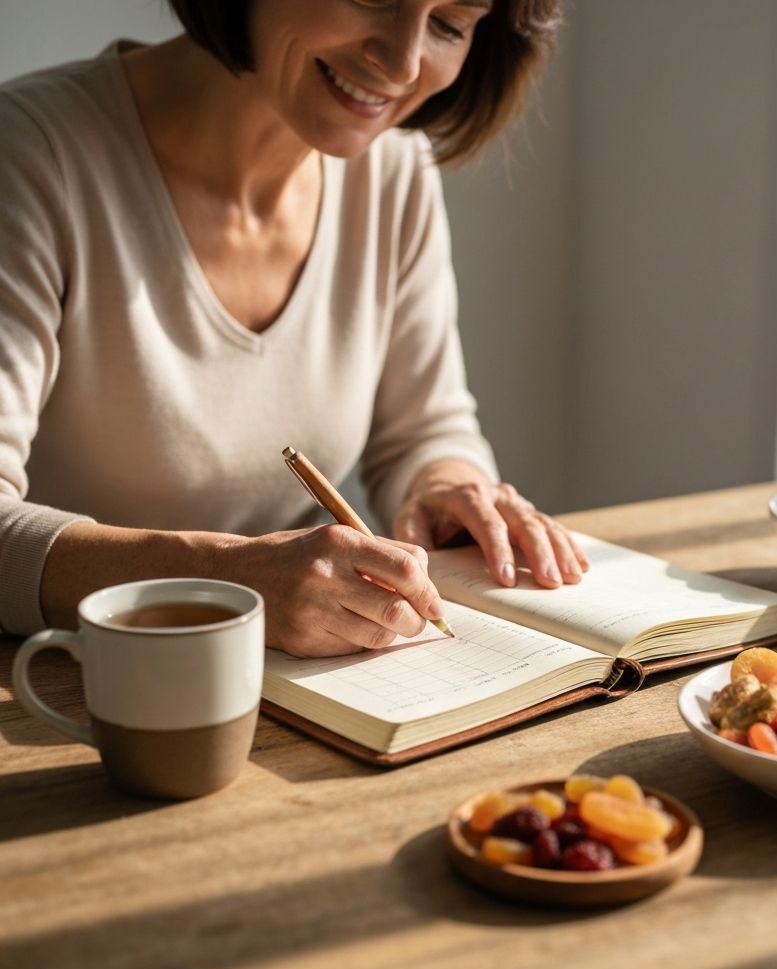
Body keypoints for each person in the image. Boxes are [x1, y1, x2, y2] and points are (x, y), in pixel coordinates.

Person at [0, 0, 588, 657]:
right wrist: (223, 581)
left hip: (307, 688)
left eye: (449, 25)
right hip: (64, 692)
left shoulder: (395, 171)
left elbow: (422, 430)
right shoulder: (29, 157)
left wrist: (445, 486)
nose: (403, 63)